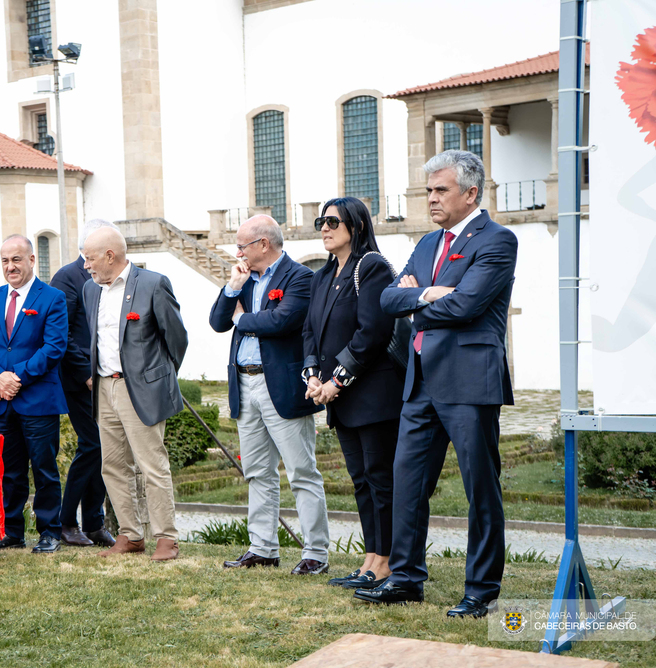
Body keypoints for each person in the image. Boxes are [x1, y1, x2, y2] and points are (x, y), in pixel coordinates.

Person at [354, 150, 517, 618]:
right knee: (408, 485)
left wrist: (414, 298)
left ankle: (481, 590)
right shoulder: (428, 244)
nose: (431, 199)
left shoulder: (497, 240)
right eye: (428, 190)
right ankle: (406, 578)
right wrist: (425, 292)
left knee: (480, 488)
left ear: (470, 193)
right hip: (419, 381)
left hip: (469, 382)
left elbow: (467, 306)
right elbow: (387, 297)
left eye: (440, 190)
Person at [209, 214, 331, 575]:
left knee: (301, 471)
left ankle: (316, 553)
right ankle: (262, 548)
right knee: (257, 472)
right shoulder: (243, 278)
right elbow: (218, 322)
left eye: (242, 245)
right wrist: (232, 289)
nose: (238, 252)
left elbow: (282, 321)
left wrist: (242, 319)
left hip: (280, 385)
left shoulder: (300, 277)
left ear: (263, 244)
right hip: (244, 383)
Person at [301, 198, 404, 589]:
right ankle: (370, 559)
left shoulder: (371, 267)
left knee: (380, 479)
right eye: (320, 222)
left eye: (332, 222)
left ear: (356, 226)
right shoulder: (321, 276)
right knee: (360, 479)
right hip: (338, 398)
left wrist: (336, 381)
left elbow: (371, 332)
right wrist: (313, 377)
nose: (324, 228)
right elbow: (310, 331)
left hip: (373, 394)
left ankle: (388, 561)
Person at [82, 226, 188, 562]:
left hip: (140, 388)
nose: (86, 265)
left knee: (151, 464)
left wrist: (157, 378)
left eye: (90, 258)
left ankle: (166, 539)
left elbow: (177, 339)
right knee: (112, 465)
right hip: (103, 387)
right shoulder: (90, 290)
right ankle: (130, 535)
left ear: (110, 256)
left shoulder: (153, 284)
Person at [0, 234, 69, 554]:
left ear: (31, 260)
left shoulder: (52, 298)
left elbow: (54, 347)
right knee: (8, 471)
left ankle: (49, 531)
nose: (10, 266)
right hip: (1, 400)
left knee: (44, 469)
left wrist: (18, 377)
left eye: (16, 259)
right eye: (4, 260)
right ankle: (11, 532)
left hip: (38, 399)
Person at [49, 220, 117, 548]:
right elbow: (63, 335)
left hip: (106, 377)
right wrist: (86, 374)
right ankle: (65, 522)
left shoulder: (107, 277)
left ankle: (94, 522)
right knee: (92, 445)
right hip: (79, 380)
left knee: (105, 450)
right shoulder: (67, 277)